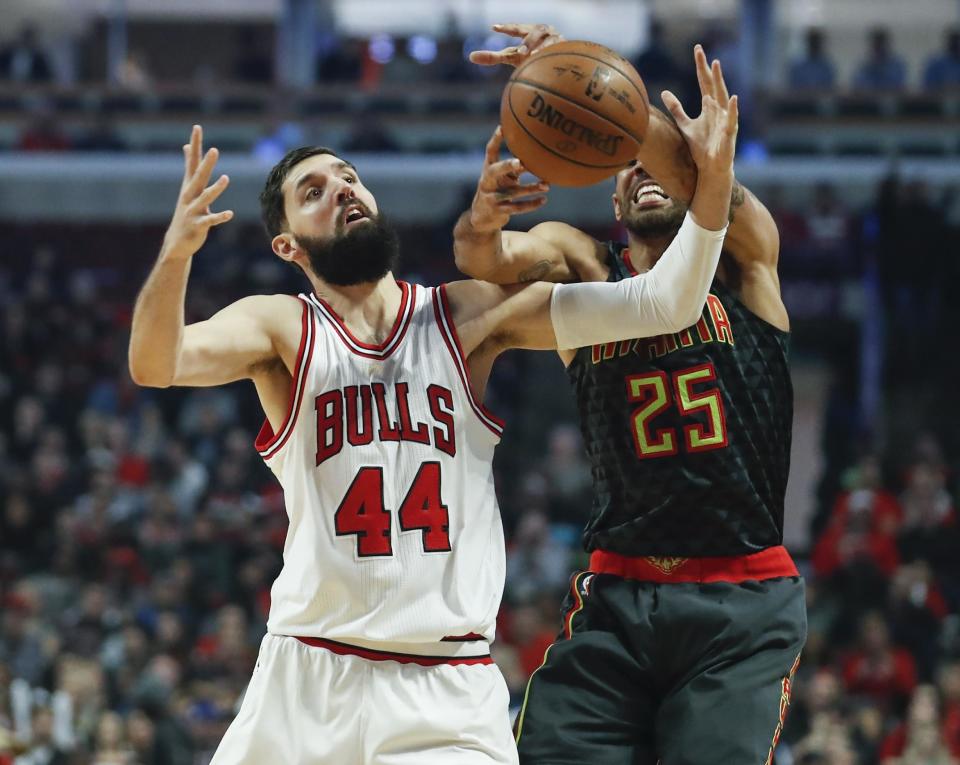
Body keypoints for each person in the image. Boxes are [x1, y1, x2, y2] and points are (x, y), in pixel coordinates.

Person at [127, 107, 737, 763]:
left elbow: (664, 305)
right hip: (305, 677)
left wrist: (714, 182)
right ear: (289, 246)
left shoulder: (463, 315)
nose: (342, 190)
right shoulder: (283, 329)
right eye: (314, 192)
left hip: (443, 691)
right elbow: (156, 363)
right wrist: (177, 254)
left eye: (348, 177)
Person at [457, 24, 805, 764]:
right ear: (612, 190)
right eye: (627, 167)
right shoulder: (586, 264)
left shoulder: (744, 261)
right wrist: (483, 219)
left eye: (651, 163)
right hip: (618, 590)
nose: (645, 174)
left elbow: (691, 169)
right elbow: (486, 258)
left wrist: (576, 76)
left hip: (738, 602)